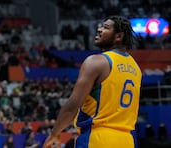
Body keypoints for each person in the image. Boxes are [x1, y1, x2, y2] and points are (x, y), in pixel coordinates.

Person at [43, 15, 142, 148]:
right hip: (127, 140)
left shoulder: (97, 62)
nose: (99, 29)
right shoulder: (136, 68)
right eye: (101, 26)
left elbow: (72, 105)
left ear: (118, 36)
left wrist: (54, 133)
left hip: (98, 138)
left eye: (106, 28)